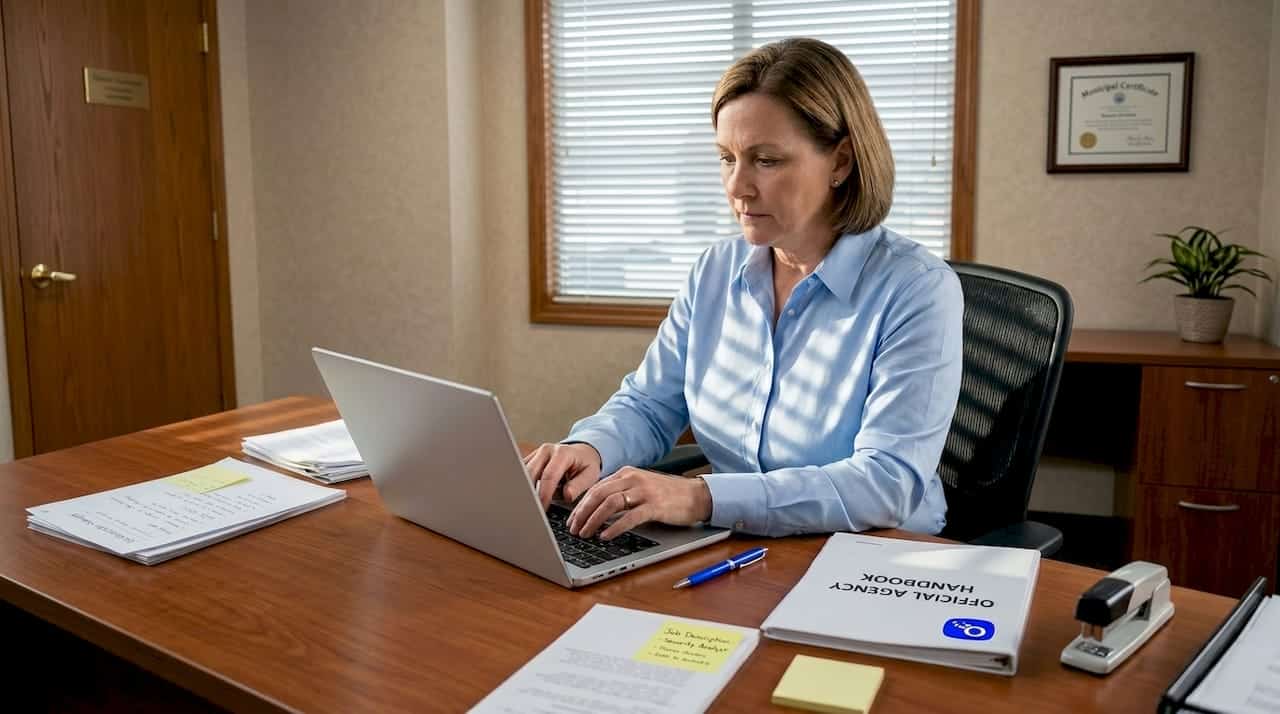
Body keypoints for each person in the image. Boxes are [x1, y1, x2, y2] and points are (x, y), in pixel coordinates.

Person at [524, 38, 963, 542]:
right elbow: (649, 404)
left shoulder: (917, 290)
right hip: (741, 541)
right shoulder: (715, 270)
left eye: (766, 160)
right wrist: (591, 448)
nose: (736, 186)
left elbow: (885, 483)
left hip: (874, 551)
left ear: (841, 162)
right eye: (727, 158)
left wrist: (700, 497)